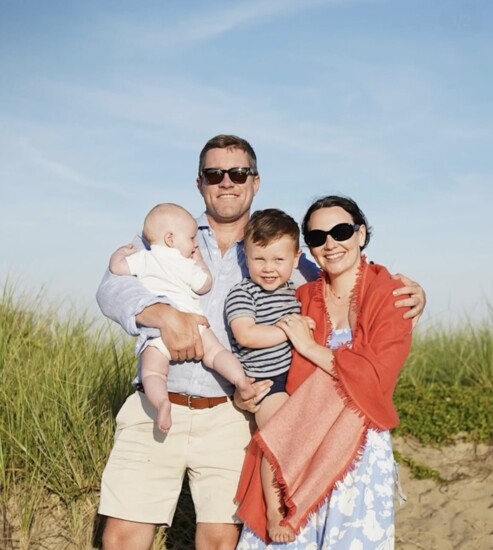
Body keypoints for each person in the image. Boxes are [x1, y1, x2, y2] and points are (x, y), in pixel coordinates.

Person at [96, 134, 426, 550]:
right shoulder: (170, 232)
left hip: (232, 413)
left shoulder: (275, 248)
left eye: (239, 173)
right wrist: (163, 315)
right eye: (215, 174)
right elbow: (112, 288)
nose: (227, 182)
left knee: (220, 539)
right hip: (156, 399)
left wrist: (409, 291)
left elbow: (336, 265)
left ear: (255, 181)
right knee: (124, 534)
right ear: (199, 182)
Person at [235, 195, 413, 549]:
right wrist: (244, 392)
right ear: (309, 249)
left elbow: (377, 378)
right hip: (301, 444)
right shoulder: (298, 297)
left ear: (361, 235)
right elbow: (263, 361)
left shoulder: (391, 293)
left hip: (358, 451)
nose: (330, 243)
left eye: (341, 231)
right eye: (317, 237)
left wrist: (311, 348)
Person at [108, 202, 255, 432]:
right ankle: (240, 380)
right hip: (195, 322)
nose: (195, 244)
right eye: (190, 239)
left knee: (153, 372)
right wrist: (199, 261)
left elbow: (117, 268)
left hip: (155, 337)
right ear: (170, 239)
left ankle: (161, 403)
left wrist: (119, 254)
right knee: (217, 354)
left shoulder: (144, 258)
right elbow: (205, 284)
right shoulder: (185, 263)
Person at [225, 208, 307, 543]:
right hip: (266, 383)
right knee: (278, 438)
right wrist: (291, 331)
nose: (269, 268)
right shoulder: (243, 293)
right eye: (260, 259)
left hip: (295, 378)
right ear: (246, 256)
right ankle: (275, 514)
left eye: (278, 259)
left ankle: (299, 501)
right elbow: (246, 335)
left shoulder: (294, 294)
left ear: (296, 258)